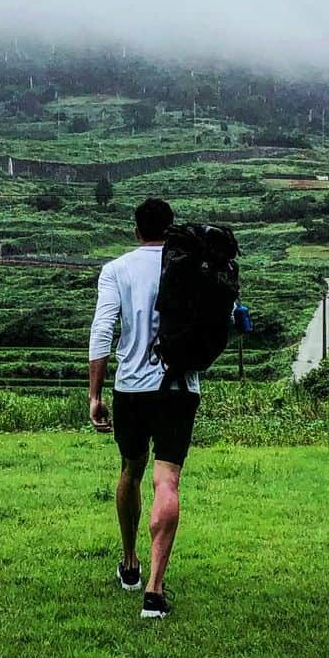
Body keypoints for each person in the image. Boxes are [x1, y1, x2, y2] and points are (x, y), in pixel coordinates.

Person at [87, 197, 200, 620]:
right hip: (180, 387)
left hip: (131, 390)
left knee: (130, 471)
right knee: (166, 480)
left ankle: (131, 564)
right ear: (171, 230)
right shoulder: (188, 267)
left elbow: (102, 330)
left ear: (136, 230)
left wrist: (95, 394)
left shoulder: (117, 269)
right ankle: (154, 591)